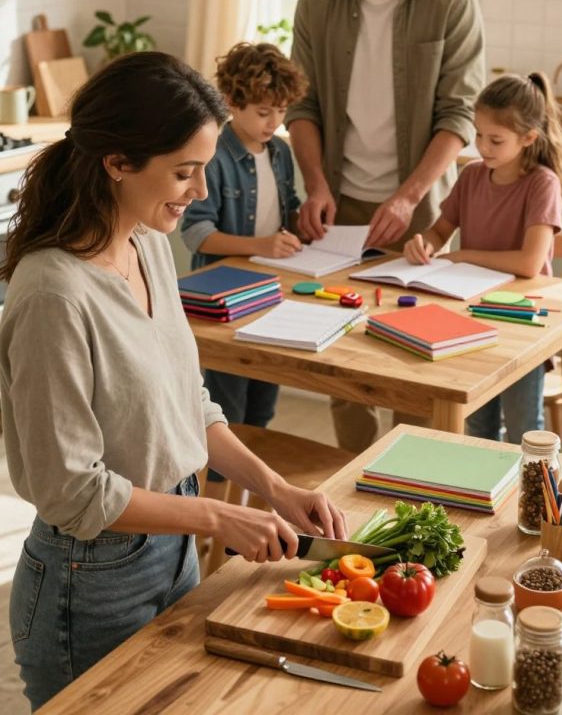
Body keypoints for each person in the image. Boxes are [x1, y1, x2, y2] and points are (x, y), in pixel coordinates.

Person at [0, 52, 346, 711]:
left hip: (172, 546)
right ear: (117, 163)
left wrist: (270, 488)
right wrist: (218, 516)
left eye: (203, 170)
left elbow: (187, 401)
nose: (201, 194)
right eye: (184, 173)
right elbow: (70, 488)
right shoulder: (53, 293)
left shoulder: (148, 244)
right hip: (89, 577)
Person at [285, 0, 485, 451]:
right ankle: (354, 473)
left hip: (421, 208)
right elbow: (304, 102)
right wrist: (316, 183)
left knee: (414, 353)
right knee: (338, 352)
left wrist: (407, 196)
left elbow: (459, 115)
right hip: (340, 201)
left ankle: (412, 481)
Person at [404, 71, 562, 443]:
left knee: (522, 431)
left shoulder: (541, 184)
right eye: (479, 135)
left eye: (495, 139)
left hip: (522, 323)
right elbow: (439, 231)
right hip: (470, 318)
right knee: (478, 427)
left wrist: (462, 256)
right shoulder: (471, 176)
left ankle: (527, 501)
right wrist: (426, 244)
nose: (483, 146)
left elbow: (530, 263)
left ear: (529, 138)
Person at [181, 41, 306, 488]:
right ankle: (218, 508)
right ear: (232, 103)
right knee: (225, 412)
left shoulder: (281, 153)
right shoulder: (213, 154)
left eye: (281, 111)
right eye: (263, 112)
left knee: (262, 408)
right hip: (224, 301)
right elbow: (196, 232)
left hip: (273, 293)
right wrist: (262, 245)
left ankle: (249, 507)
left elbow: (287, 208)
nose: (275, 123)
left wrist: (303, 229)